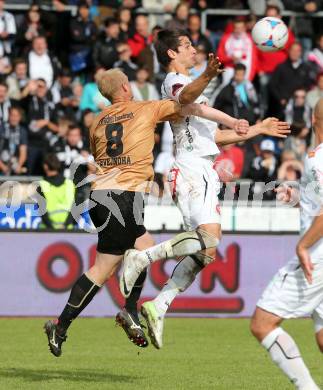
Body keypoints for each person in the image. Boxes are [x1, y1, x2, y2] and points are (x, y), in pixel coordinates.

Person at [43, 61, 244, 356]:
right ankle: (60, 326)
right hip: (123, 196)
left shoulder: (97, 121)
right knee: (104, 269)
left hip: (104, 193)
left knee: (144, 246)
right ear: (126, 87)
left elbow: (100, 157)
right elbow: (186, 100)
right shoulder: (145, 108)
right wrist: (208, 76)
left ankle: (130, 312)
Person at [119, 29, 289, 349]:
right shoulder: (173, 81)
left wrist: (256, 128)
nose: (193, 48)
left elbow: (216, 137)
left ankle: (159, 305)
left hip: (203, 166)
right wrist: (209, 76)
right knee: (209, 238)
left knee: (206, 252)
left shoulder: (196, 88)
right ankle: (141, 258)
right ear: (172, 53)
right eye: (186, 45)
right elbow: (184, 99)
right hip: (190, 167)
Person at [250, 98, 323, 390]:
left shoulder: (317, 157)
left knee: (262, 324)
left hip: (316, 256)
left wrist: (302, 246)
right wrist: (299, 200)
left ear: (314, 121)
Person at [37, 153, 75, 230]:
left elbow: (43, 213)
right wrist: (65, 226)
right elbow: (75, 209)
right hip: (68, 230)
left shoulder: (42, 185)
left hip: (48, 230)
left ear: (45, 166)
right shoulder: (70, 184)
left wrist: (53, 230)